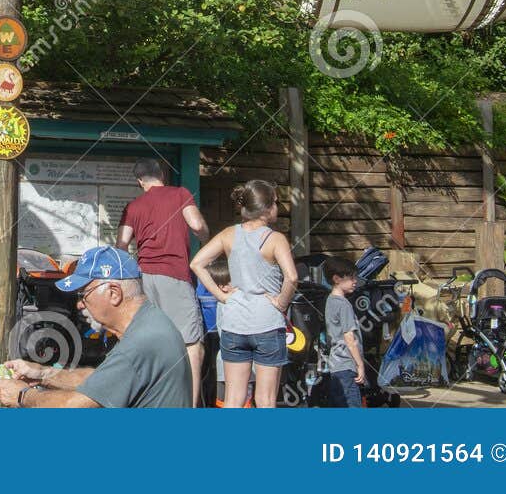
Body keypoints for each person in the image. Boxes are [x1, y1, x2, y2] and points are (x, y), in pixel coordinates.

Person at [0, 245, 191, 408]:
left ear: (114, 293)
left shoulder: (140, 343)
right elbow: (102, 380)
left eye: (83, 294)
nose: (79, 304)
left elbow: (75, 406)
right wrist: (43, 374)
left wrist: (23, 396)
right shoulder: (149, 323)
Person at [191, 179, 298, 409]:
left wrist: (221, 297)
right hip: (267, 323)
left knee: (233, 398)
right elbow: (292, 277)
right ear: (267, 208)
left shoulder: (229, 234)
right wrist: (281, 302)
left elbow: (197, 263)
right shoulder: (276, 239)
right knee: (265, 399)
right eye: (276, 203)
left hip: (234, 323)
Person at [116, 156, 210, 405]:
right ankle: (188, 407)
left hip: (144, 278)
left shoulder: (133, 207)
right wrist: (204, 237)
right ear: (162, 175)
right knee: (191, 345)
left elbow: (121, 244)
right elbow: (197, 224)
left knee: (152, 341)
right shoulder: (180, 194)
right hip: (175, 275)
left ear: (140, 181)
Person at [323, 256, 366, 407]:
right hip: (347, 365)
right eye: (351, 277)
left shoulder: (329, 301)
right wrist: (359, 364)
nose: (355, 281)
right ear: (336, 278)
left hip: (335, 367)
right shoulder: (344, 304)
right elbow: (349, 337)